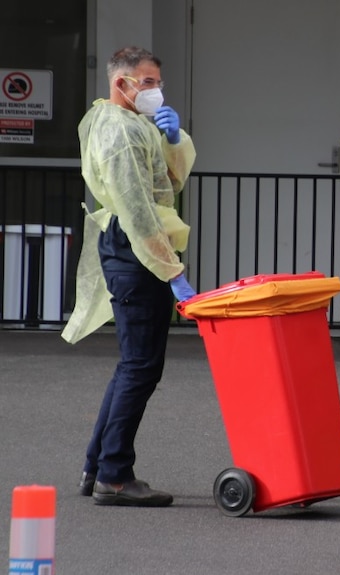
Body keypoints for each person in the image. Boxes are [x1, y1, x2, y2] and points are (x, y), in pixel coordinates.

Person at [61, 46, 198, 506]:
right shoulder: (119, 133)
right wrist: (173, 272)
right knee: (141, 366)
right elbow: (140, 212)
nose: (156, 91)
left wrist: (175, 139)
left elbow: (167, 183)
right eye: (147, 82)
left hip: (135, 248)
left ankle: (96, 464)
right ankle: (115, 476)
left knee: (132, 366)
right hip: (136, 248)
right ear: (120, 84)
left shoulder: (127, 122)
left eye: (158, 81)